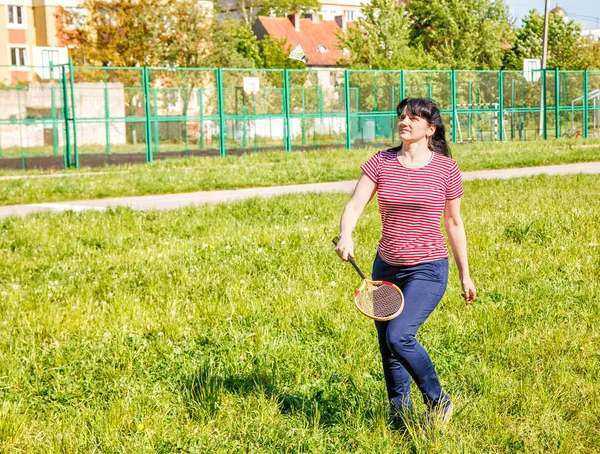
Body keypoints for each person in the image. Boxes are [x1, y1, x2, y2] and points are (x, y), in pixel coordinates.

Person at [335, 97, 476, 427]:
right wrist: (346, 234)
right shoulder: (381, 163)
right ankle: (399, 415)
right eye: (402, 116)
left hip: (427, 268)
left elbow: (454, 223)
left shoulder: (446, 169)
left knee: (399, 336)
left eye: (414, 118)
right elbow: (355, 205)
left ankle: (438, 401)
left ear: (430, 129)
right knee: (387, 346)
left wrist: (464, 275)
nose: (405, 121)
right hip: (385, 268)